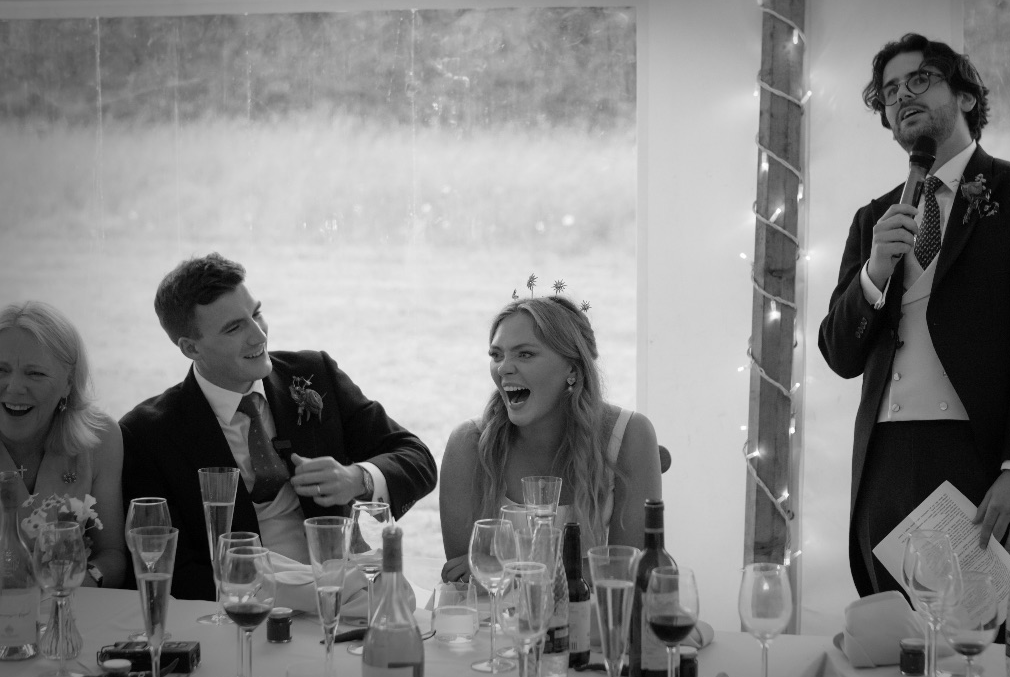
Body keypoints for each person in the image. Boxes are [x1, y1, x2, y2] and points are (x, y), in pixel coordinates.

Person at [819, 33, 1010, 601]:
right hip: (886, 466)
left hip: (982, 459)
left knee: (994, 637)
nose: (902, 96)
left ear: (965, 97)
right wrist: (874, 271)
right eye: (890, 91)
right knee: (899, 639)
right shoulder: (875, 218)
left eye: (919, 80)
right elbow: (840, 354)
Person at [121, 252, 437, 599]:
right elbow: (166, 566)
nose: (259, 336)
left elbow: (416, 458)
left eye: (256, 314)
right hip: (240, 607)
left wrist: (357, 479)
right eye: (234, 328)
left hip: (346, 594)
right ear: (190, 348)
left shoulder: (314, 375)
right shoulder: (147, 434)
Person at [439, 294, 661, 583]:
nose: (503, 368)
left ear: (572, 368)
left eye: (525, 354)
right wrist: (576, 571)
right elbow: (462, 578)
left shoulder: (630, 434)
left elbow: (629, 571)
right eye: (496, 355)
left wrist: (509, 567)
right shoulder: (468, 444)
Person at [0, 301, 126, 588]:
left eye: (35, 373)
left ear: (68, 383)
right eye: (0, 369)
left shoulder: (99, 437)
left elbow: (113, 555)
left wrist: (77, 583)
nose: (14, 387)